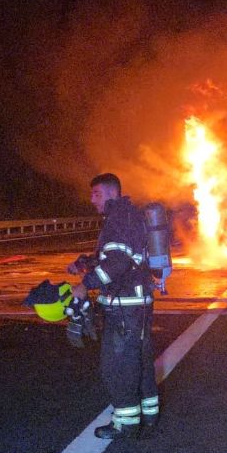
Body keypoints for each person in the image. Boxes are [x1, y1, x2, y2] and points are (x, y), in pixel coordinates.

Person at [71, 173, 158, 439]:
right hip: (138, 304)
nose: (91, 199)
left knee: (118, 366)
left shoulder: (118, 218)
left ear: (111, 193)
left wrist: (86, 284)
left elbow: (118, 263)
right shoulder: (129, 215)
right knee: (140, 361)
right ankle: (149, 415)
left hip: (125, 308)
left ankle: (126, 424)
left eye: (96, 194)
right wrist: (87, 262)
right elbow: (120, 256)